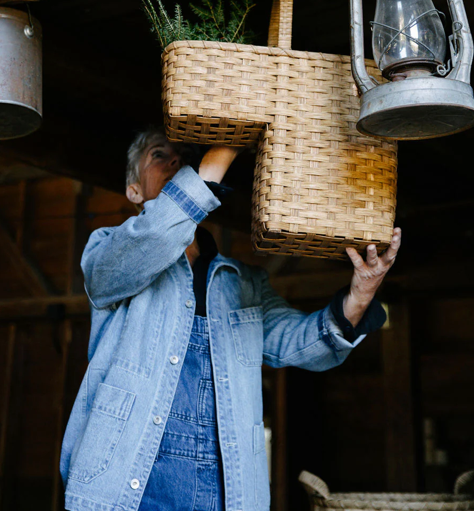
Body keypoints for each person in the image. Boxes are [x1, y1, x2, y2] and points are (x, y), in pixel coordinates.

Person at [61, 128, 401, 511]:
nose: (176, 160)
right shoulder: (107, 250)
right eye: (159, 155)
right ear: (134, 190)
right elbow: (153, 236)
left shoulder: (245, 283)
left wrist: (361, 295)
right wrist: (219, 156)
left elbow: (302, 345)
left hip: (222, 491)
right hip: (124, 481)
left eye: (185, 156)